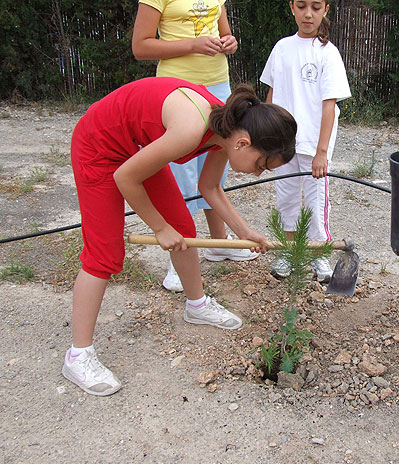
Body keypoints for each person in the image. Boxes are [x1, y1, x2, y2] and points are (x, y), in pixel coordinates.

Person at [63, 78, 297, 396]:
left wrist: (244, 232)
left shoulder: (225, 131)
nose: (258, 173)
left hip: (136, 147)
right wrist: (159, 228)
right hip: (99, 146)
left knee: (184, 231)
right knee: (104, 253)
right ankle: (78, 355)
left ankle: (196, 305)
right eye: (261, 165)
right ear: (243, 143)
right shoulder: (191, 128)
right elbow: (125, 177)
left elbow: (209, 187)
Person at [132, 0, 258, 294]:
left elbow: (226, 34)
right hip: (176, 89)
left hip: (217, 84)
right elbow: (141, 47)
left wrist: (230, 43)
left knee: (214, 168)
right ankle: (178, 261)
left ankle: (219, 243)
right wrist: (192, 45)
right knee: (180, 178)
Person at [260, 0, 351, 282]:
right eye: (301, 6)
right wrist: (268, 138)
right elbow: (272, 96)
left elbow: (329, 105)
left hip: (314, 144)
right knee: (286, 197)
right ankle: (288, 252)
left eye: (315, 7)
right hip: (283, 143)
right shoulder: (282, 48)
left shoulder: (327, 53)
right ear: (291, 8)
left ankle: (319, 254)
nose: (307, 14)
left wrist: (321, 151)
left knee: (315, 201)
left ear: (325, 9)